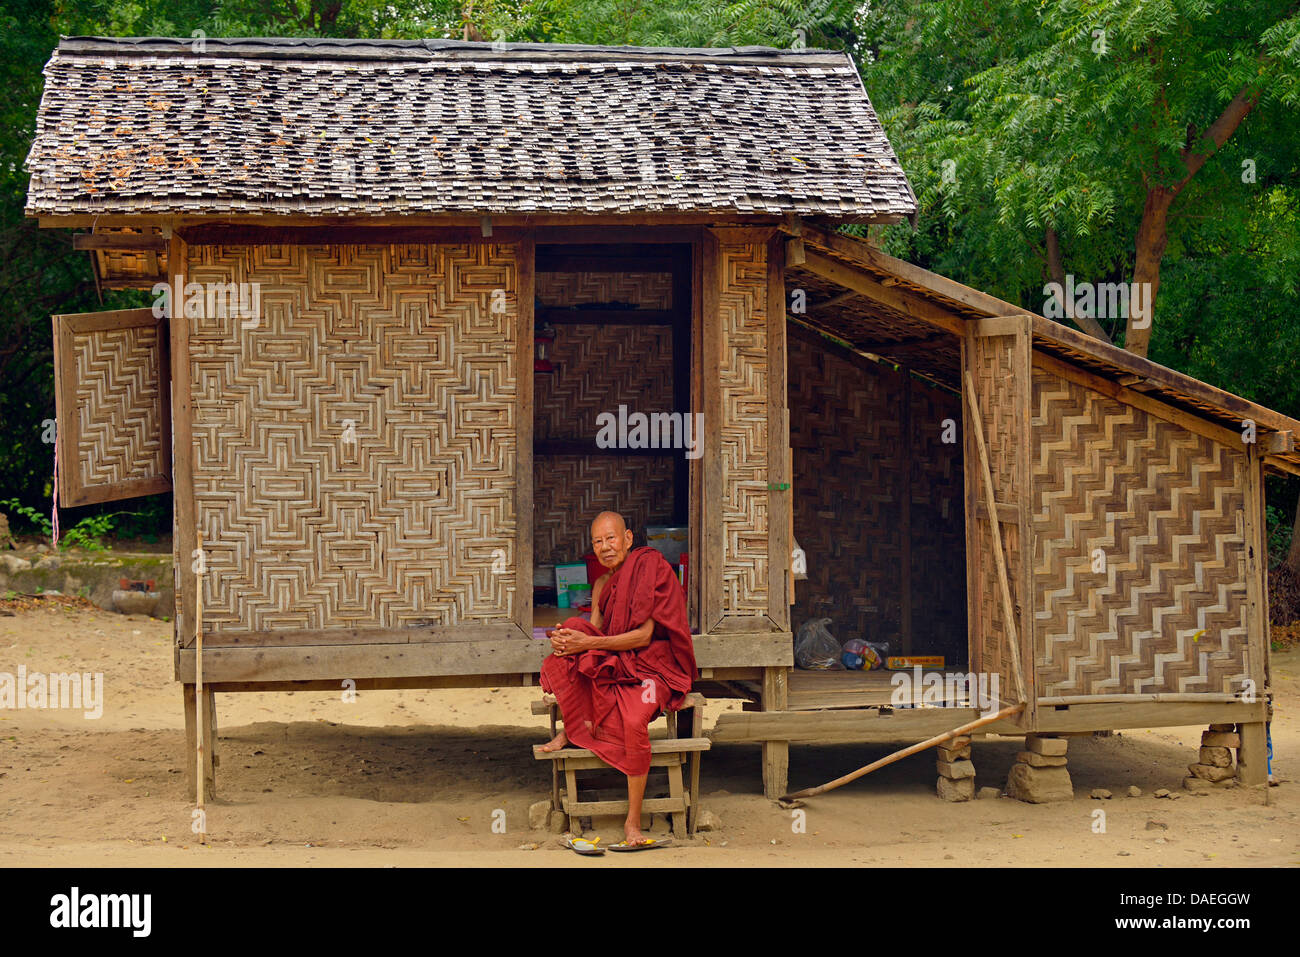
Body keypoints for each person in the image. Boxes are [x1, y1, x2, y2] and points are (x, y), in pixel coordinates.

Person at [539, 511, 696, 848]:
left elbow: (643, 636)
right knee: (573, 629)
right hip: (616, 662)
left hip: (652, 667)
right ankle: (576, 728)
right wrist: (567, 640)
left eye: (611, 538)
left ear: (627, 538)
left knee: (635, 720)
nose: (605, 547)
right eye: (597, 541)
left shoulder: (650, 569)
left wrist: (588, 643)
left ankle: (633, 825)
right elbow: (592, 632)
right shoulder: (600, 585)